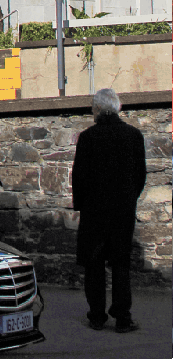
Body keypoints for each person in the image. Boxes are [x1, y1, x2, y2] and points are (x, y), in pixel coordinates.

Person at [72, 86, 147, 333]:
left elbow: (79, 177)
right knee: (121, 264)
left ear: (97, 109)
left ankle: (97, 316)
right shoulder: (133, 136)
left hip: (94, 212)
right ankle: (123, 316)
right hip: (122, 211)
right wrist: (129, 200)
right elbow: (140, 176)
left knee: (94, 264)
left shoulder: (88, 138)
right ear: (117, 108)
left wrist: (81, 205)